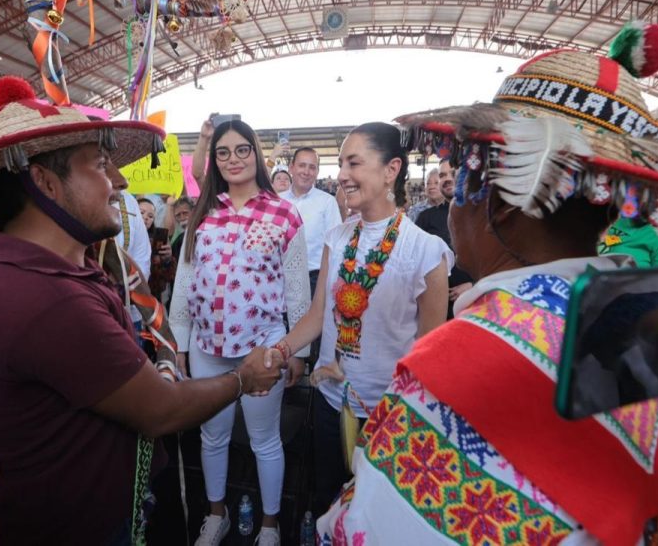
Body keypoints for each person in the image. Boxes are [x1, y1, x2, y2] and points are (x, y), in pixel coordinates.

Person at [310, 27, 658, 544]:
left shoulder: (464, 357)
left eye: (463, 178)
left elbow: (371, 528)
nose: (452, 199)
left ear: (496, 206)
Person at [0, 77, 281, 545]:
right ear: (44, 184)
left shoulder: (55, 270)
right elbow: (161, 411)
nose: (120, 183)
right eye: (102, 165)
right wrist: (243, 379)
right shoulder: (46, 299)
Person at [264, 122, 452, 518]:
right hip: (332, 403)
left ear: (391, 170)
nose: (342, 175)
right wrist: (278, 352)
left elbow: (429, 352)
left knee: (376, 516)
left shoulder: (426, 251)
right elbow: (317, 316)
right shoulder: (337, 237)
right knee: (327, 503)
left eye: (354, 163)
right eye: (341, 164)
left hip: (387, 415)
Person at [169, 119, 310, 546]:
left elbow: (297, 290)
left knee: (265, 441)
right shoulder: (203, 214)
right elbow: (184, 281)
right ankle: (217, 515)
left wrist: (297, 351)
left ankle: (269, 525)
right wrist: (179, 345)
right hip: (206, 347)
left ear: (257, 154)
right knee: (212, 437)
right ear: (214, 160)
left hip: (262, 347)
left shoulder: (284, 213)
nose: (233, 159)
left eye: (241, 149)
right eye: (223, 152)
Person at [279, 147, 342, 299]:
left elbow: (337, 244)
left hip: (315, 280)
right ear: (291, 168)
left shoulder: (327, 202)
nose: (306, 172)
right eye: (302, 165)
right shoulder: (277, 201)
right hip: (280, 278)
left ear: (317, 172)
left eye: (312, 167)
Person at [416, 158, 473, 318]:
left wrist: (474, 286)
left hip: (477, 304)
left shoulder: (481, 214)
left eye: (453, 173)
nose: (447, 178)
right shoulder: (426, 217)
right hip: (437, 308)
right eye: (442, 175)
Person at [138, 197, 176, 301]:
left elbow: (165, 279)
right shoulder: (120, 237)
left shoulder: (156, 242)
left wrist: (167, 260)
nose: (145, 217)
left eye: (150, 216)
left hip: (151, 299)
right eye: (141, 212)